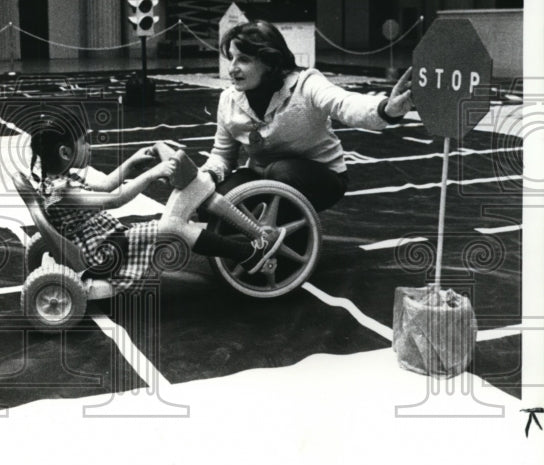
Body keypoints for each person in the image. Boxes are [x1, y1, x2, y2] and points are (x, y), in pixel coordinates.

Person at [28, 113, 286, 289]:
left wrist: (132, 163)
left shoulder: (59, 181)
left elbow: (106, 184)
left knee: (171, 225)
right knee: (173, 227)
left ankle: (237, 247)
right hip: (105, 256)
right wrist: (153, 173)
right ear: (65, 152)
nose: (89, 148)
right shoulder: (63, 192)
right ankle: (247, 255)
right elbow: (114, 200)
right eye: (84, 143)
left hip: (111, 242)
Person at [201, 20, 414, 211]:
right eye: (231, 58)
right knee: (213, 205)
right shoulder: (228, 99)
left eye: (243, 59)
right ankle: (263, 226)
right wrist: (207, 176)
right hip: (265, 176)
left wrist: (386, 109)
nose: (232, 68)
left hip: (321, 178)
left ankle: (288, 237)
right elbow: (222, 155)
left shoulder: (306, 84)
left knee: (280, 172)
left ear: (269, 61)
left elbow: (343, 103)